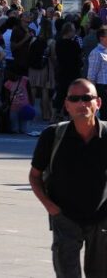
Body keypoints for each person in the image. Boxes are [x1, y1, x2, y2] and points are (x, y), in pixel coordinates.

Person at [29, 78, 107, 277]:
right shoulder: (52, 136)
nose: (81, 104)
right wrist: (52, 208)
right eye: (75, 98)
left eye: (87, 98)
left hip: (102, 220)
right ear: (67, 105)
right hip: (65, 218)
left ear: (98, 103)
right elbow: (35, 176)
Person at [86, 26, 107, 115]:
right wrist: (93, 96)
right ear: (102, 37)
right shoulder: (96, 52)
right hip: (103, 88)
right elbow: (91, 76)